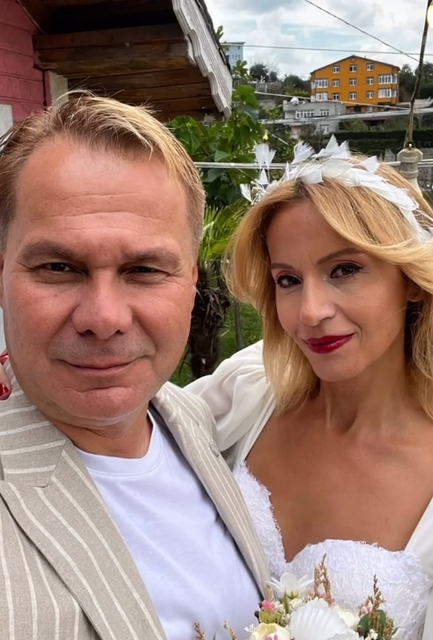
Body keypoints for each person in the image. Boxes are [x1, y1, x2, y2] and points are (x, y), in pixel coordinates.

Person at [0, 95, 269, 640]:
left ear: (190, 281)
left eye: (144, 269)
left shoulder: (191, 419)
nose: (104, 318)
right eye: (59, 267)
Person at [185, 142, 433, 640]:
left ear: (409, 278)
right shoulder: (248, 392)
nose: (310, 312)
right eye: (288, 280)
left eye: (344, 270)